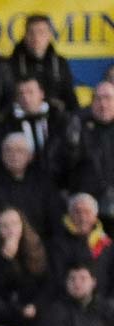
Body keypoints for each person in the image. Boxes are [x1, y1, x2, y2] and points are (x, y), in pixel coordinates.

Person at [0, 132, 61, 243]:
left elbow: (54, 217)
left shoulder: (43, 182)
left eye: (20, 151)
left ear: (30, 156)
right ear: (1, 155)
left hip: (40, 244)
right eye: (9, 150)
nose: (14, 155)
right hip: (2, 243)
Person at [65, 80, 114, 229]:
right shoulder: (78, 125)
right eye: (98, 99)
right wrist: (71, 146)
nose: (103, 104)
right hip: (87, 210)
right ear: (91, 103)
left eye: (108, 98)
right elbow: (63, 168)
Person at [2, 76, 69, 183]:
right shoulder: (8, 122)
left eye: (30, 92)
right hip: (24, 182)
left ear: (41, 94)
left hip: (59, 179)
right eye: (21, 93)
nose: (26, 98)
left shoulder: (58, 118)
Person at [38, 263, 114, 326]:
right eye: (72, 279)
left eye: (83, 278)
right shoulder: (56, 311)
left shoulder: (107, 309)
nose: (77, 283)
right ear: (66, 283)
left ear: (93, 282)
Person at [10, 15, 77, 112]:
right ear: (25, 36)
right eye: (31, 33)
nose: (36, 38)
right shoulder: (12, 64)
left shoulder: (60, 63)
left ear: (49, 35)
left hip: (55, 119)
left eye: (41, 32)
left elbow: (70, 98)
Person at [51, 193, 112, 291]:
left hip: (103, 301)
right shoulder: (59, 243)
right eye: (77, 212)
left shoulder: (106, 243)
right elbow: (57, 278)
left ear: (95, 216)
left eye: (87, 212)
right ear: (70, 215)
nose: (82, 218)